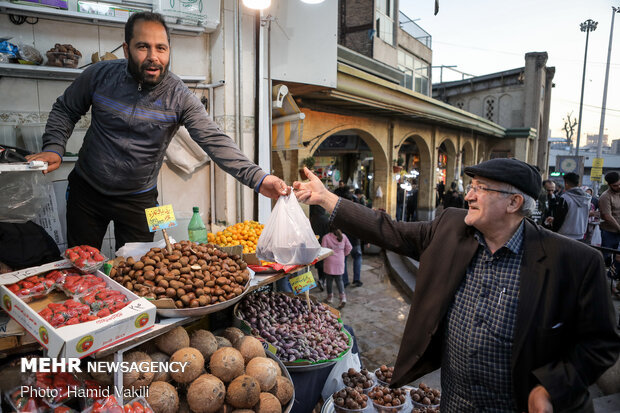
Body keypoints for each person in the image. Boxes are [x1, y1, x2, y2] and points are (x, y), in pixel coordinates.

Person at [294, 159, 620, 412]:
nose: (469, 195)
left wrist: (549, 388)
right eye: (471, 185)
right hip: (456, 402)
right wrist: (328, 200)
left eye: (480, 188)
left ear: (514, 202)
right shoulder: (451, 226)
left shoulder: (575, 262)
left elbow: (601, 343)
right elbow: (388, 229)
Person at [26, 12, 288, 251]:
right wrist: (54, 147)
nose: (153, 56)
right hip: (87, 191)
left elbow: (215, 140)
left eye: (161, 48)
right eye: (143, 46)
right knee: (81, 264)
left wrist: (259, 179)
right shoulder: (99, 75)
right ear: (127, 50)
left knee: (135, 271)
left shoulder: (180, 96)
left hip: (138, 200)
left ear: (169, 50)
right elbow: (65, 109)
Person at [320, 228, 352, 309]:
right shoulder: (343, 236)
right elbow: (349, 248)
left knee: (329, 280)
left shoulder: (326, 237)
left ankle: (330, 297)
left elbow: (323, 250)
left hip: (329, 261)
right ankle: (343, 298)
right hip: (340, 261)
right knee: (339, 280)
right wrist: (343, 254)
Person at [557, 173, 591, 240]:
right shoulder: (587, 198)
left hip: (564, 235)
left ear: (566, 183)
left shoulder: (565, 197)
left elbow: (560, 217)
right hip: (580, 234)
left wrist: (554, 229)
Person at [310, 204, 330, 291]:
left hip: (315, 243)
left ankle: (321, 279)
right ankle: (323, 280)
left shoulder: (313, 219)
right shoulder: (326, 219)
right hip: (324, 243)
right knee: (325, 263)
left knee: (318, 263)